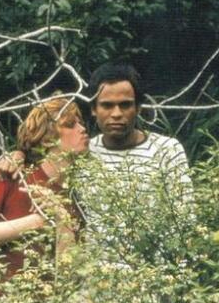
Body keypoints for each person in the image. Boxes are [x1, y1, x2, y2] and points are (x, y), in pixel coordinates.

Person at [0, 96, 89, 303]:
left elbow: (70, 276)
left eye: (80, 122)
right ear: (47, 138)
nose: (82, 129)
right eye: (70, 125)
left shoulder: (79, 191)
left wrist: (61, 220)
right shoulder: (11, 173)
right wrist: (35, 222)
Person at [78, 62, 194, 264]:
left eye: (125, 105)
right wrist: (20, 154)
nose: (116, 113)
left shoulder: (166, 150)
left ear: (138, 107)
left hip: (156, 272)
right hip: (98, 276)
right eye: (107, 105)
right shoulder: (83, 153)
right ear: (94, 109)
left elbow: (185, 218)